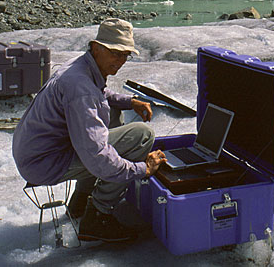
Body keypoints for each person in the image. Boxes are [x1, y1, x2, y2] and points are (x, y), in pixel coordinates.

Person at [12, 18, 166, 242]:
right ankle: (98, 217)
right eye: (115, 52)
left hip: (37, 153)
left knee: (112, 112)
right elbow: (97, 156)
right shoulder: (80, 88)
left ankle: (81, 200)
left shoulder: (81, 66)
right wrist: (143, 169)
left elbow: (100, 94)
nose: (120, 60)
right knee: (142, 135)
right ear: (96, 48)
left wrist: (129, 101)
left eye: (125, 55)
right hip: (44, 163)